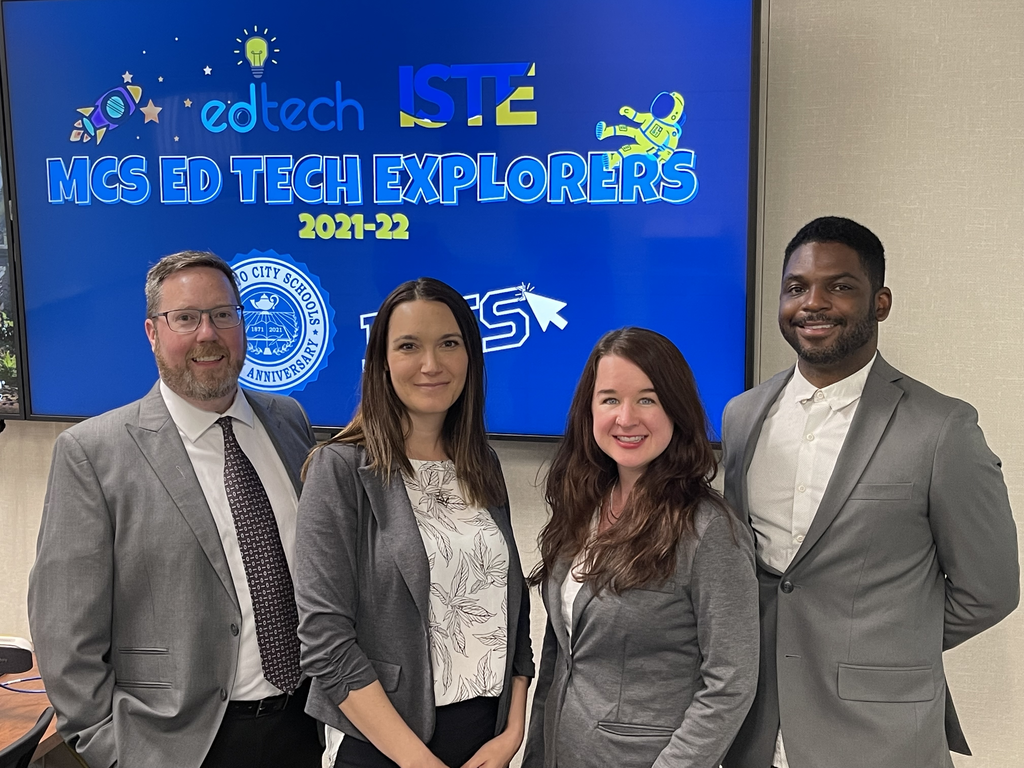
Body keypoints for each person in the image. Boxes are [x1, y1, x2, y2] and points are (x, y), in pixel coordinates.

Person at [721, 217, 1019, 768]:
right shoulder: (742, 417)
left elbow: (991, 590)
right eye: (796, 287)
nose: (813, 303)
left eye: (839, 286)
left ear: (879, 302)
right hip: (756, 726)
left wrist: (882, 648)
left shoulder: (943, 428)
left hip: (881, 735)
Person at [28, 251, 321, 768]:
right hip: (174, 747)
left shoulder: (288, 421)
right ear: (152, 332)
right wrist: (113, 751)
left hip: (301, 727)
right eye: (185, 318)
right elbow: (66, 635)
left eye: (223, 314)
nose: (207, 333)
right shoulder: (93, 452)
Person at [295, 277, 534, 768]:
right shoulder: (339, 469)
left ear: (471, 356)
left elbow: (513, 608)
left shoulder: (480, 463)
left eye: (449, 343)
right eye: (409, 346)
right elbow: (324, 642)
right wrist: (417, 762)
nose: (431, 364)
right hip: (384, 746)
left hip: (485, 740)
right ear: (382, 362)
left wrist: (512, 731)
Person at [523, 327, 759, 768]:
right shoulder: (584, 507)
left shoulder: (708, 530)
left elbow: (730, 681)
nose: (626, 418)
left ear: (676, 410)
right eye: (610, 399)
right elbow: (562, 658)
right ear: (589, 410)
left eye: (647, 399)